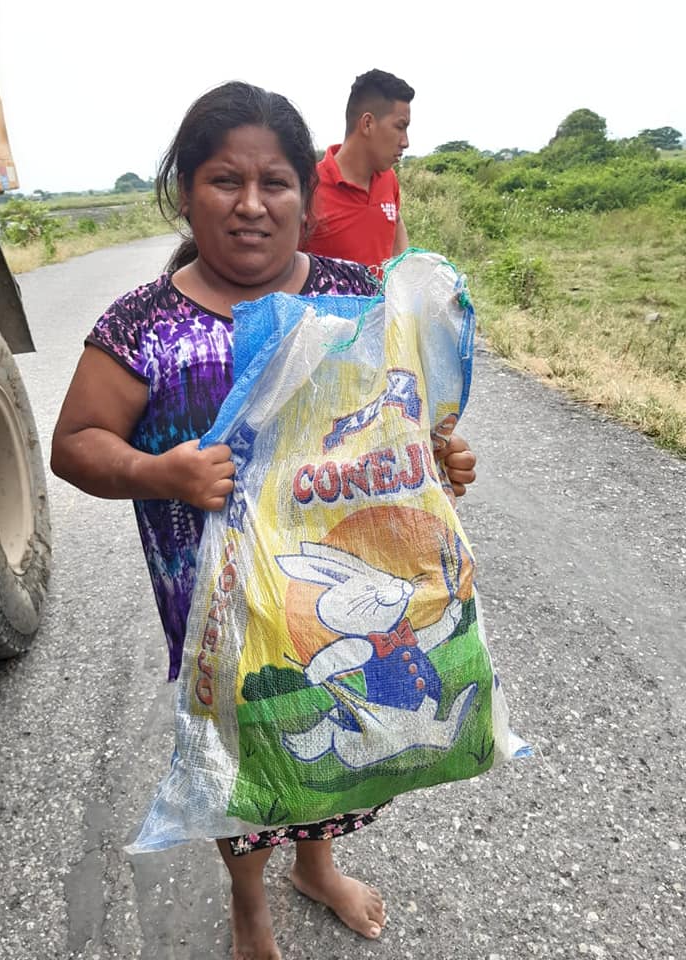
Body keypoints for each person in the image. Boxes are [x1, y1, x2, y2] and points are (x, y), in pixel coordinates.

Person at [51, 81, 476, 960]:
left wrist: (439, 456)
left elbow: (400, 415)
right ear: (186, 192)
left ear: (306, 198)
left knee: (340, 735)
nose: (251, 204)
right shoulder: (143, 325)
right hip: (221, 615)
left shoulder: (357, 297)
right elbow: (75, 444)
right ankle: (250, 903)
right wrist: (155, 471)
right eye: (224, 180)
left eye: (274, 182)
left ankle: (316, 866)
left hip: (345, 593)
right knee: (240, 761)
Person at [303, 68, 414, 272]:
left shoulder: (388, 179)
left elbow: (395, 221)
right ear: (368, 123)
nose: (405, 142)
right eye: (400, 127)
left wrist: (404, 275)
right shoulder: (308, 188)